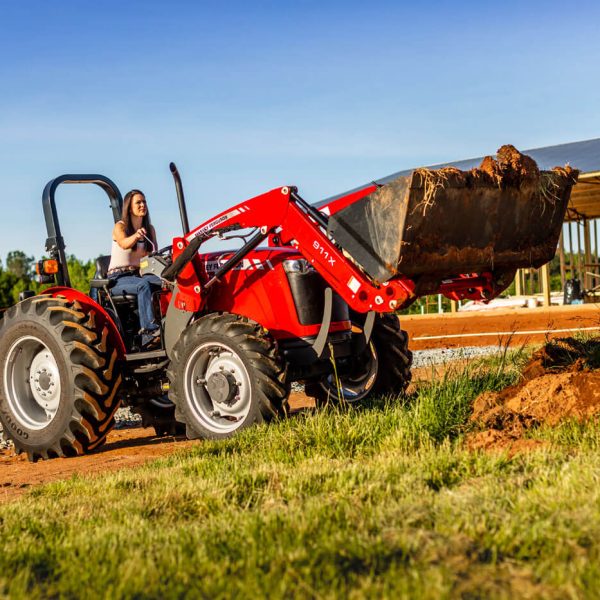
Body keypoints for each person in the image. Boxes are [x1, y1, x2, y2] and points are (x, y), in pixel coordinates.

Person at [107, 189, 161, 347]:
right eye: (138, 202)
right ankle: (149, 334)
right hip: (117, 279)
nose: (143, 205)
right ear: (129, 207)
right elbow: (124, 244)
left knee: (165, 283)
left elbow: (154, 254)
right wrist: (137, 236)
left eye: (144, 202)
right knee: (144, 286)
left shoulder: (149, 229)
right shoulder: (120, 227)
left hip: (138, 275)